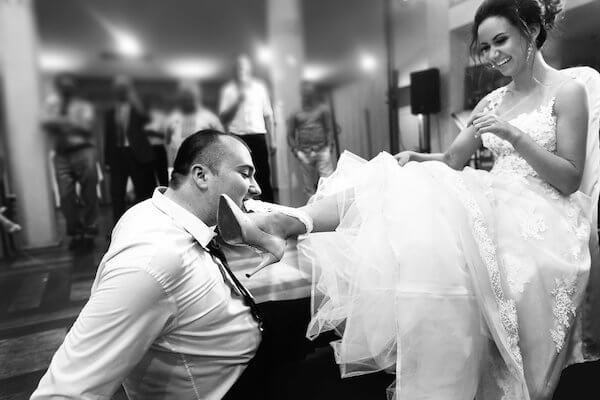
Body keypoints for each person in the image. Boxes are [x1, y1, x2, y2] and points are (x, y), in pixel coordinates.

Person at [215, 0, 600, 398]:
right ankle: (289, 222)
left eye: (500, 41)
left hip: (544, 212)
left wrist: (513, 136)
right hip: (494, 197)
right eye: (485, 47)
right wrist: (420, 158)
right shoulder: (491, 101)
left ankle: (282, 224)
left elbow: (570, 178)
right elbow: (453, 159)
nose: (492, 55)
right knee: (396, 178)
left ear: (532, 30)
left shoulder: (569, 91)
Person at [32, 131, 267, 399]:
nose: (256, 187)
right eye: (246, 174)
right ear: (201, 176)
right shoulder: (152, 260)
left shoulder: (156, 209)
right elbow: (66, 390)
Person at [42, 74, 99, 249]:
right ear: (59, 88)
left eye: (69, 86)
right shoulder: (52, 104)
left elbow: (86, 126)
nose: (65, 89)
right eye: (62, 86)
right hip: (61, 154)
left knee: (89, 193)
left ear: (74, 88)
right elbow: (46, 123)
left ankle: (89, 229)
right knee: (66, 196)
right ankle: (75, 231)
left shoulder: (84, 106)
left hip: (84, 151)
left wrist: (60, 123)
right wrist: (70, 122)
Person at [219, 54, 276, 202]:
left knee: (263, 174)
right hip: (237, 138)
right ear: (235, 70)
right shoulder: (229, 90)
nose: (241, 69)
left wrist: (273, 141)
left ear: (250, 69)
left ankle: (269, 208)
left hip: (258, 136)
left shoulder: (260, 87)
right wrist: (237, 101)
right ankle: (242, 208)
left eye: (244, 66)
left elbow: (268, 115)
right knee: (239, 175)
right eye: (238, 67)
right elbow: (223, 117)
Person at [104, 76, 156, 225]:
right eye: (118, 89)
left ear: (128, 90)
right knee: (116, 193)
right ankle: (118, 227)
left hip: (137, 154)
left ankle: (143, 225)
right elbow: (107, 137)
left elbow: (147, 119)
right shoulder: (109, 112)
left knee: (142, 192)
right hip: (117, 155)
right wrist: (107, 160)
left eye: (123, 88)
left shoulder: (137, 108)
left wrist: (134, 98)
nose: (120, 91)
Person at [287, 83, 335, 197]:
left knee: (328, 184)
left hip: (322, 150)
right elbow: (290, 135)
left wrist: (329, 147)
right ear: (301, 95)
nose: (307, 97)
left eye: (310, 94)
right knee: (309, 188)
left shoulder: (323, 110)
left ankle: (329, 209)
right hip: (304, 153)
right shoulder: (295, 112)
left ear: (314, 95)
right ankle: (313, 212)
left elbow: (329, 130)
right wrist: (297, 152)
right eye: (305, 94)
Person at [165, 84, 223, 166]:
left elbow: (221, 139)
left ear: (196, 99)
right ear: (181, 101)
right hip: (179, 164)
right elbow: (167, 142)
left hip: (203, 164)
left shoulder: (209, 117)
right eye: (185, 99)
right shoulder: (173, 118)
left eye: (190, 99)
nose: (187, 102)